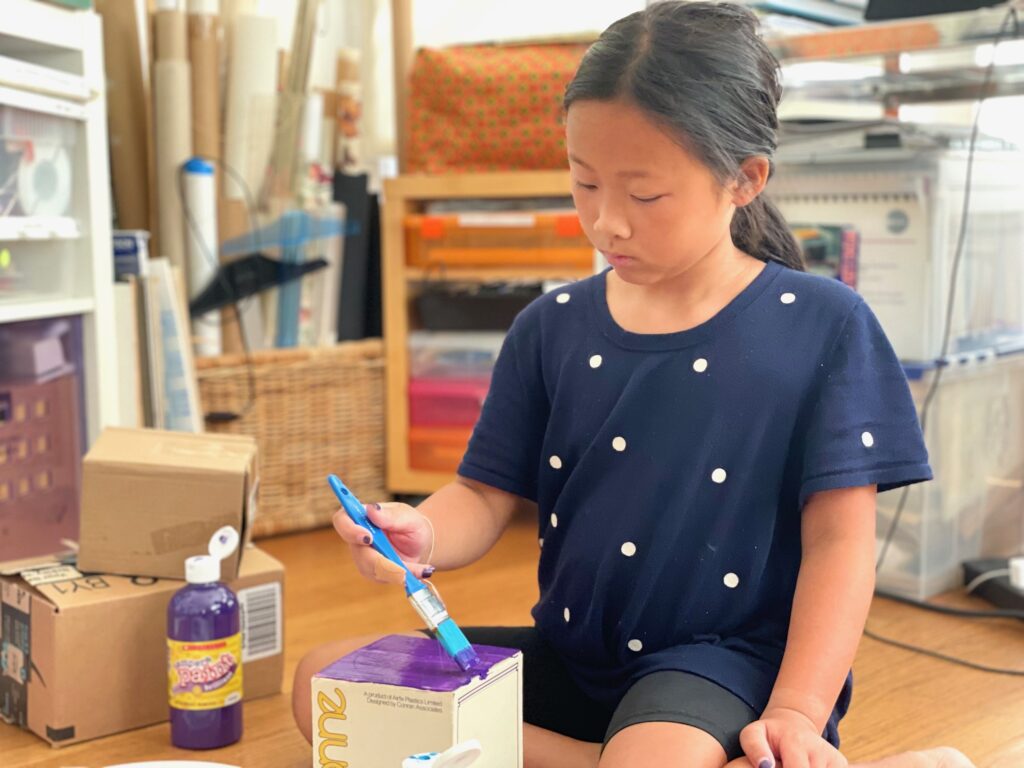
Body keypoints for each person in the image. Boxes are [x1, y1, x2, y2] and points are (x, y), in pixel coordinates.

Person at [294, 4, 976, 767]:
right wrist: (418, 533)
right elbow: (485, 496)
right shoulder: (550, 326)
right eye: (584, 184)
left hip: (723, 664)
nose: (606, 223)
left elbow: (840, 545)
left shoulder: (825, 325)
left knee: (643, 757)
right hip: (573, 651)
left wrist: (796, 712)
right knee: (326, 682)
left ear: (744, 178)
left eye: (644, 196)